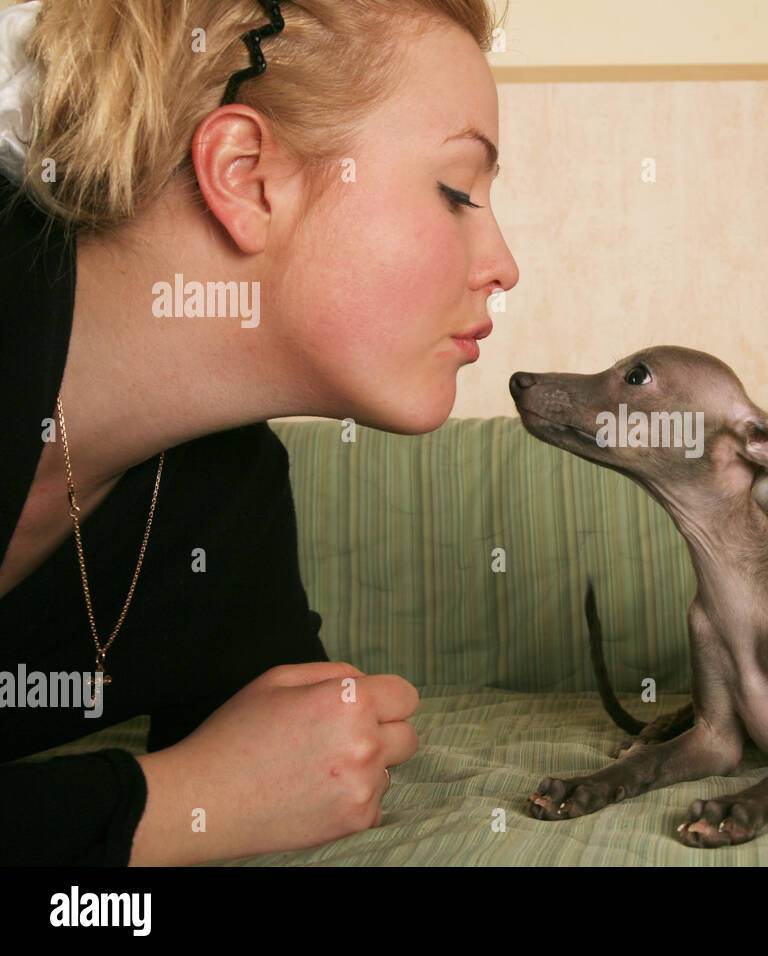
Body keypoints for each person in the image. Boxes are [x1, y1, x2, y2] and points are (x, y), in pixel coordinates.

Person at [0, 0, 519, 865]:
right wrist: (172, 805)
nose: (504, 264)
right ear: (244, 175)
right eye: (456, 191)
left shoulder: (221, 495)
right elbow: (225, 789)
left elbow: (291, 756)